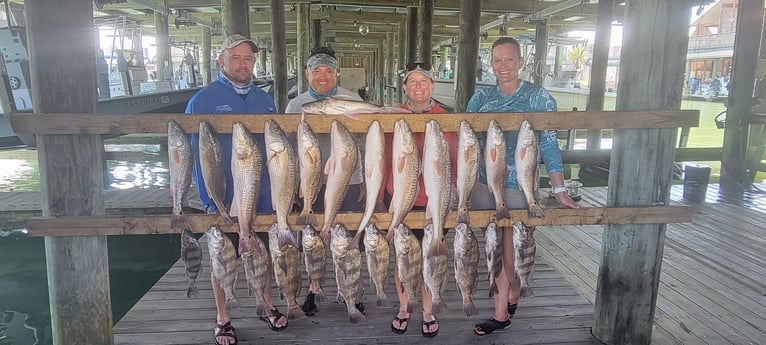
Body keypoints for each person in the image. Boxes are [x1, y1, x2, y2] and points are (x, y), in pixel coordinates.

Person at [466, 37, 579, 336]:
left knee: (512, 250)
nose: (502, 65)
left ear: (520, 62)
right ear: (491, 64)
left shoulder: (540, 98)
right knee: (495, 249)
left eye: (509, 59)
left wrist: (559, 190)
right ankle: (507, 298)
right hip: (484, 186)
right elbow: (469, 146)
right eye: (497, 60)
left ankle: (502, 311)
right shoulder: (479, 99)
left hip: (521, 187)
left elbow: (550, 146)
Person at [186, 34, 284, 345]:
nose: (243, 64)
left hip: (264, 193)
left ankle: (266, 304)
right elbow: (197, 154)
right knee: (222, 258)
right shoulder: (202, 100)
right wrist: (209, 199)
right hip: (223, 196)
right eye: (236, 58)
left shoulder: (265, 100)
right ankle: (223, 317)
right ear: (221, 61)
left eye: (248, 59)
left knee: (262, 255)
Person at [284, 46, 366, 317]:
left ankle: (350, 290)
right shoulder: (295, 105)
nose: (322, 76)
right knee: (312, 236)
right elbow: (289, 149)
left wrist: (364, 179)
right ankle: (313, 288)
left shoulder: (352, 99)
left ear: (337, 73)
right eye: (316, 70)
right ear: (307, 73)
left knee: (349, 236)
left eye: (328, 70)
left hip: (349, 178)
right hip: (312, 182)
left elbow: (364, 143)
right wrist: (294, 184)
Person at [382, 62, 457, 338]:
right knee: (403, 257)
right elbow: (382, 158)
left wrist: (456, 198)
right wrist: (379, 196)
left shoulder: (445, 118)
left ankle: (428, 310)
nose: (418, 86)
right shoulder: (393, 116)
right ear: (404, 87)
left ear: (432, 86)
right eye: (412, 81)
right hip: (400, 197)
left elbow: (455, 162)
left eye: (423, 81)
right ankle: (404, 307)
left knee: (430, 257)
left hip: (434, 198)